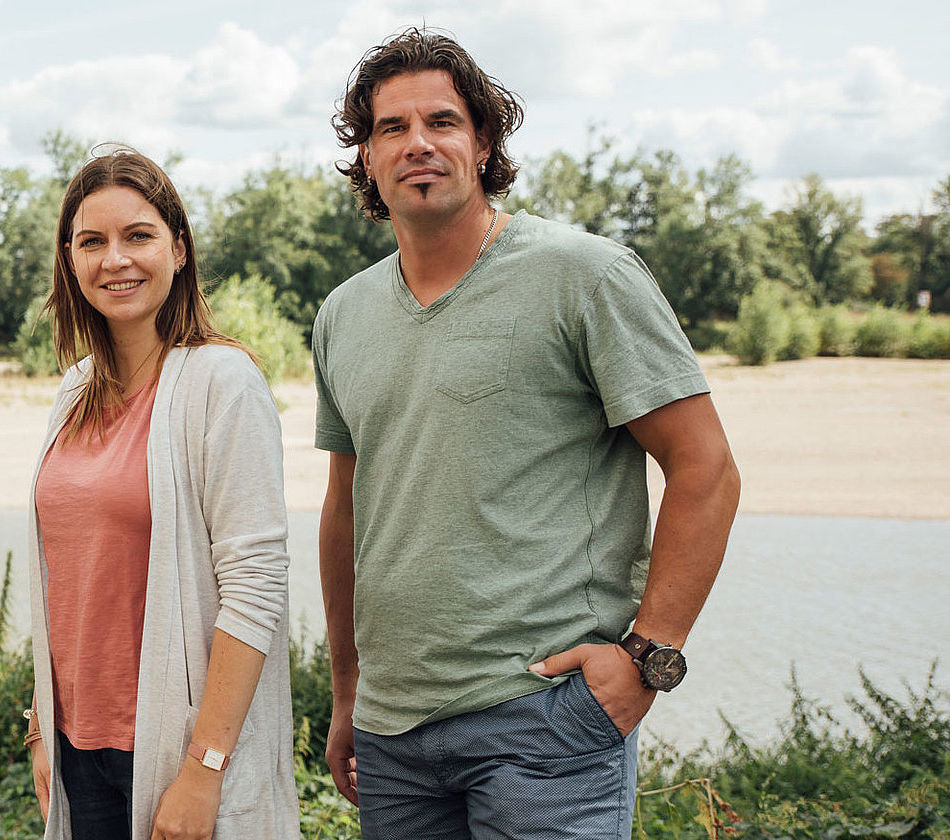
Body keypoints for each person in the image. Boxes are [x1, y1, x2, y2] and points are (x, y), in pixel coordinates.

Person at [314, 28, 742, 839]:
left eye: (441, 121)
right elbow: (347, 511)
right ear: (365, 157)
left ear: (482, 142)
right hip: (394, 736)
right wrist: (347, 692)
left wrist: (649, 658)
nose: (418, 144)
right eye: (390, 128)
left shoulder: (587, 276)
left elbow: (707, 469)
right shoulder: (343, 314)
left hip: (543, 722)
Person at [22, 148, 300, 840]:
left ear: (178, 248)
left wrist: (205, 767)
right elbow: (69, 574)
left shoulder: (222, 383)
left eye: (137, 235)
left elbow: (255, 585)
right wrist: (39, 728)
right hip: (78, 751)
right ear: (70, 259)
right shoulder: (72, 391)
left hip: (177, 749)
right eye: (92, 241)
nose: (114, 259)